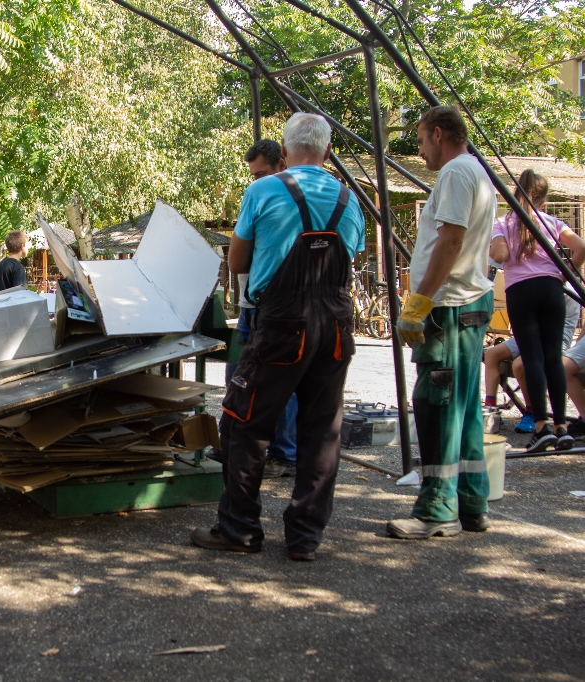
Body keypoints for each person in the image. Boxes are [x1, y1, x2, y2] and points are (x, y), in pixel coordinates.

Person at [192, 113, 365, 561]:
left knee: (244, 424)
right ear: (327, 153)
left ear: (285, 153)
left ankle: (240, 528)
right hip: (336, 325)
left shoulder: (264, 190)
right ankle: (305, 537)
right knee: (322, 431)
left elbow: (236, 263)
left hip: (282, 323)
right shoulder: (350, 198)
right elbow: (351, 257)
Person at [388, 107, 497, 540]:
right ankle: (472, 502)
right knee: (465, 411)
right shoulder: (478, 172)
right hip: (470, 303)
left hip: (448, 309)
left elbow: (450, 241)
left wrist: (419, 302)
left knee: (436, 406)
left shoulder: (455, 173)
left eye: (420, 141)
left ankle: (437, 509)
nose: (420, 150)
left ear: (438, 133)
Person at [488, 170, 585, 452]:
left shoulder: (503, 223)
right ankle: (562, 429)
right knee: (554, 358)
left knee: (532, 358)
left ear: (514, 194)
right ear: (543, 197)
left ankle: (541, 425)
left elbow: (500, 256)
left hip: (521, 292)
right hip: (551, 290)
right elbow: (581, 247)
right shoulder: (553, 222)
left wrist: (496, 245)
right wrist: (562, 275)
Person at [226, 139, 297, 479]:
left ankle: (282, 452)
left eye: (263, 173)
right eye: (253, 176)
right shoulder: (264, 194)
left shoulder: (271, 197)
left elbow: (237, 259)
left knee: (273, 381)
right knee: (243, 378)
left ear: (282, 164)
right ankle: (245, 443)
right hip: (255, 303)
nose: (257, 181)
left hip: (269, 305)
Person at [483, 295, 580, 432]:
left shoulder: (565, 289)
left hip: (556, 338)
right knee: (491, 354)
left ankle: (531, 412)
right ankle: (490, 410)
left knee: (520, 364)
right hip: (533, 333)